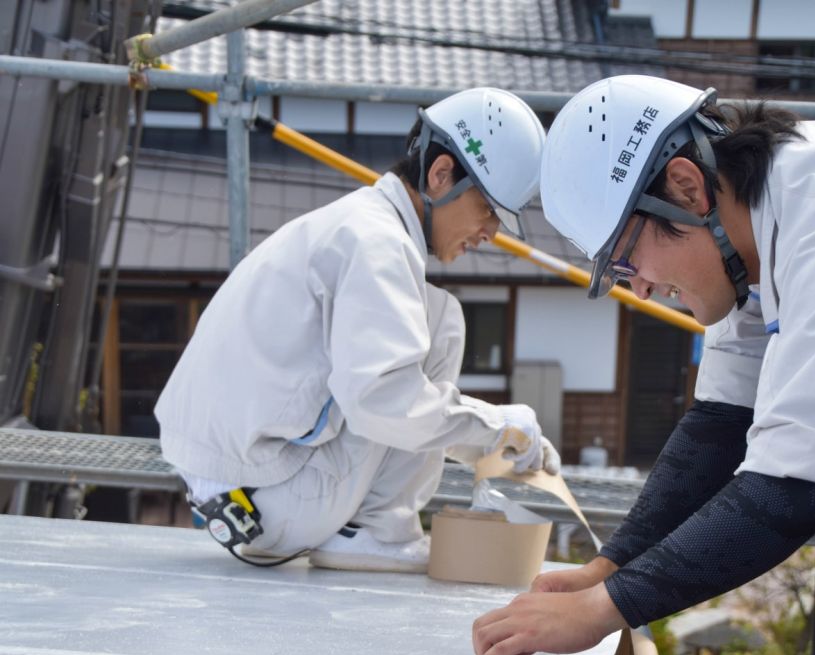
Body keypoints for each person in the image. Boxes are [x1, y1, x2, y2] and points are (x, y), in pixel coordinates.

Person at [471, 74, 815, 655]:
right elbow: (720, 425)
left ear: (686, 185)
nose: (641, 288)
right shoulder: (752, 232)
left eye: (627, 256)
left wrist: (604, 609)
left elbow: (799, 485)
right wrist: (608, 568)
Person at [154, 88, 560, 573]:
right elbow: (383, 401)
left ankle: (365, 527)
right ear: (441, 175)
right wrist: (503, 430)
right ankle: (372, 531)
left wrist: (491, 437)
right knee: (428, 339)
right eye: (489, 210)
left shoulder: (356, 224)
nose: (491, 233)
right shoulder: (378, 245)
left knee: (434, 314)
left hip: (237, 489)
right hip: (267, 499)